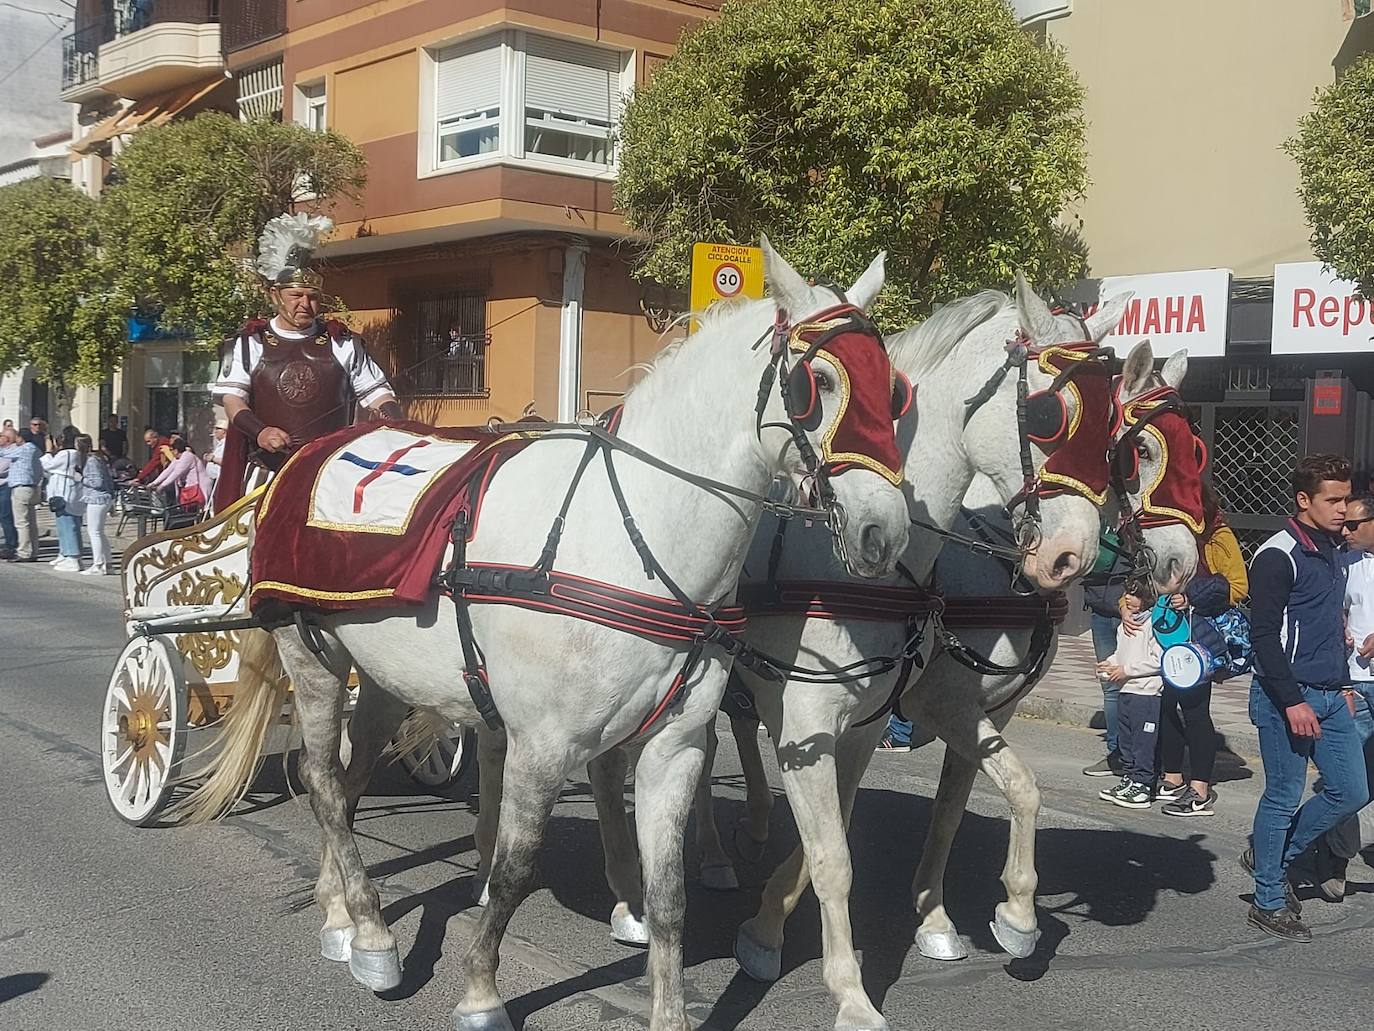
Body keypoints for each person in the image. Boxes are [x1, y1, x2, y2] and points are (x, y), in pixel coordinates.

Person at [1245, 454, 1369, 943]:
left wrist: (1343, 684)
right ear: (1303, 500)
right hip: (1286, 697)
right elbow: (1263, 636)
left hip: (1333, 694)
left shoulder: (1334, 549)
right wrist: (1292, 700)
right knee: (1282, 796)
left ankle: (1272, 860)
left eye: (1346, 499)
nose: (1343, 509)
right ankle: (1268, 899)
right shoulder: (1278, 554)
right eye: (1333, 500)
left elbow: (1327, 622)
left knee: (1351, 791)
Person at [212, 212, 401, 510]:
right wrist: (261, 431)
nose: (305, 303)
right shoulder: (250, 343)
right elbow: (233, 400)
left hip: (330, 475)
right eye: (296, 295)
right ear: (275, 295)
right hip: (265, 474)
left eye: (312, 296)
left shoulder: (341, 342)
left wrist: (392, 419)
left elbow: (377, 392)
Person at [1156, 484, 1249, 818]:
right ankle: (1171, 776)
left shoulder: (1218, 537)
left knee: (1195, 710)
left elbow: (1238, 586)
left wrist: (1191, 596)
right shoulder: (1170, 536)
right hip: (1168, 632)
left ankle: (1199, 789)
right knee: (1166, 704)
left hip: (1200, 635)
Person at [1307, 493, 1374, 901]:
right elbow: (1330, 613)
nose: (1344, 531)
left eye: (1353, 525)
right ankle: (1335, 856)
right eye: (1342, 523)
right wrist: (1340, 630)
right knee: (1348, 777)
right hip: (1354, 682)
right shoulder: (1342, 564)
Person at [1096, 581, 1165, 809]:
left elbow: (1158, 660)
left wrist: (1127, 670)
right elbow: (1121, 653)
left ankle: (1143, 784)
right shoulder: (1125, 625)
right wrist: (1110, 664)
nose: (1128, 598)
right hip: (1126, 690)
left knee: (1143, 742)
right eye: (1127, 593)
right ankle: (1129, 778)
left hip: (1146, 692)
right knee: (1126, 740)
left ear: (1146, 598)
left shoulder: (1154, 625)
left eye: (1134, 595)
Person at [1082, 541, 1133, 777]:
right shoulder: (1101, 527)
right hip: (1100, 611)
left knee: (1139, 685)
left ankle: (1141, 755)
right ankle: (1116, 754)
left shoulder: (1139, 527)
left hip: (1134, 617)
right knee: (1110, 684)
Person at [40, 425, 86, 572]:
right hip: (70, 491)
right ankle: (65, 553)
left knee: (68, 524)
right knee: (65, 523)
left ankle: (73, 557)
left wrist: (48, 451)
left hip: (65, 493)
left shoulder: (67, 454)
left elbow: (48, 466)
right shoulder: (76, 453)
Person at [0, 427, 41, 561]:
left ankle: (23, 552)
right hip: (32, 487)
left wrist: (5, 442)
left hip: (21, 488)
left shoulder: (22, 449)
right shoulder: (35, 449)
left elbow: (4, 453)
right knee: (32, 523)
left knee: (22, 522)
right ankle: (33, 551)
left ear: (20, 437)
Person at [78, 434, 116, 575]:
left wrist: (81, 479)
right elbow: (108, 480)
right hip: (104, 498)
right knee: (99, 532)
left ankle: (98, 564)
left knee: (93, 532)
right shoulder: (98, 459)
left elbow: (97, 482)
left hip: (96, 498)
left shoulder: (91, 461)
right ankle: (108, 564)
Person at [149, 434, 212, 510]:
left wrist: (162, 486)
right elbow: (168, 471)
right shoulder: (178, 458)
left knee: (200, 509)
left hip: (200, 487)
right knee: (187, 509)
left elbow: (176, 473)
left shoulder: (187, 456)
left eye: (171, 450)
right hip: (190, 488)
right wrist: (154, 483)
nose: (171, 452)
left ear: (176, 450)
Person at [0, 442, 15, 560]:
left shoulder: (12, 451)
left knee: (6, 516)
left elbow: (2, 469)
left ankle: (11, 545)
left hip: (5, 486)